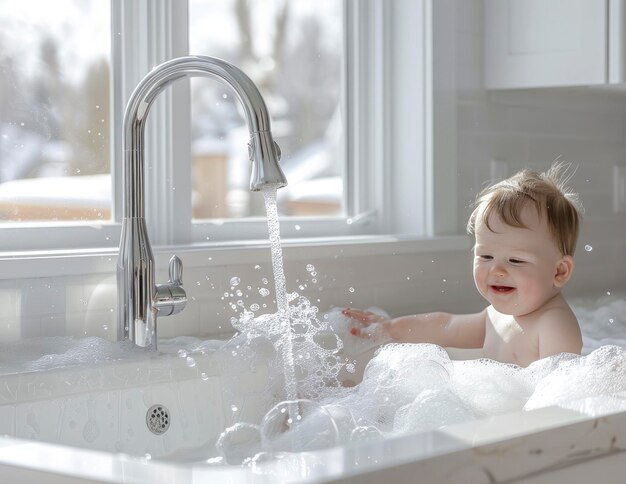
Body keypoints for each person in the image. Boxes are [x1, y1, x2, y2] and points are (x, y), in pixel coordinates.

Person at [343, 164, 584, 367]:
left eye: (516, 260)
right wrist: (389, 328)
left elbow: (560, 400)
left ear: (559, 271)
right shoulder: (497, 316)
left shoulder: (554, 325)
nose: (496, 270)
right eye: (486, 256)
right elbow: (446, 326)